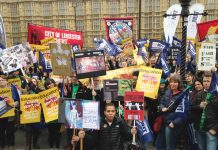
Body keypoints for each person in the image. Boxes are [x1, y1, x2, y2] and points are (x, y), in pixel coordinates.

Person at [72, 103, 137, 150]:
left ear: (115, 112)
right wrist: (84, 136)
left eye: (112, 111)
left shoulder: (120, 121)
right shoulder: (99, 123)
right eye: (108, 111)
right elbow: (94, 140)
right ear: (104, 112)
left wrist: (131, 132)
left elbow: (126, 136)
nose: (110, 113)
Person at [156, 74, 189, 150]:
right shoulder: (168, 92)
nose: (172, 84)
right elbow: (161, 103)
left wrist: (174, 123)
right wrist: (162, 108)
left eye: (175, 82)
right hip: (163, 122)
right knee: (159, 145)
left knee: (170, 146)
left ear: (179, 83)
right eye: (171, 82)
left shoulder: (183, 95)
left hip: (171, 124)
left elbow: (184, 113)